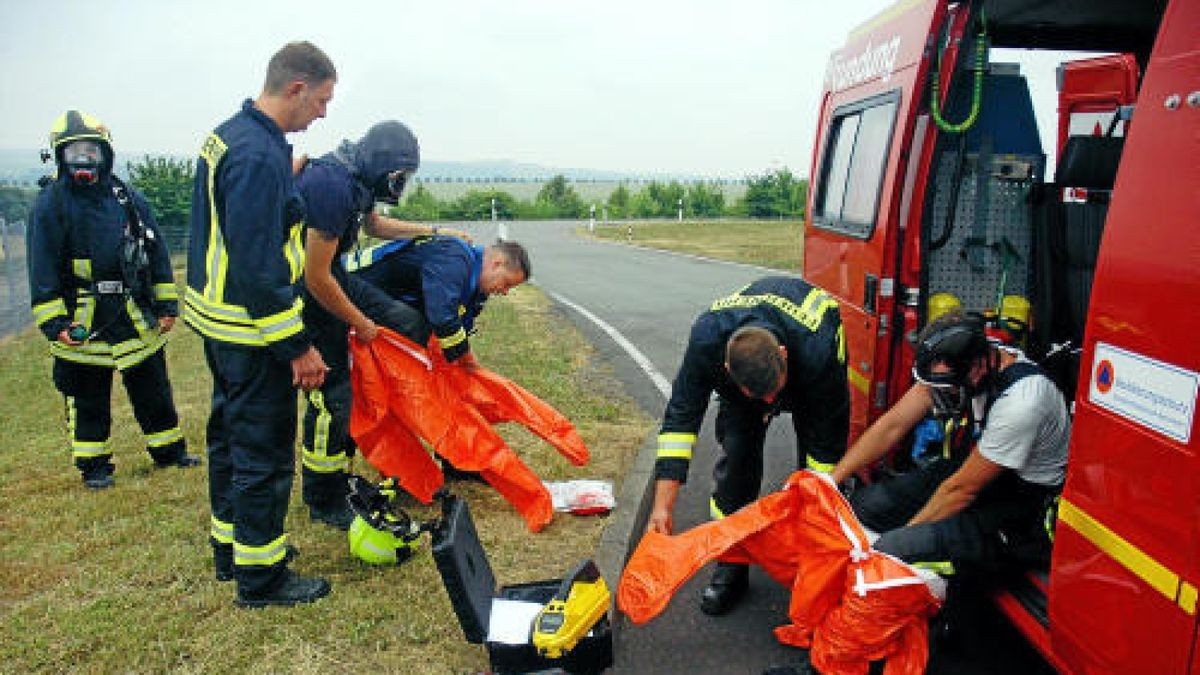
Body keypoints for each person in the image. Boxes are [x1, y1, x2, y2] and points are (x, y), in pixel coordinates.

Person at [183, 41, 336, 608]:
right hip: (251, 331)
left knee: (228, 440)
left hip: (219, 324)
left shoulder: (235, 134)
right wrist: (296, 346)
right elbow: (257, 262)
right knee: (264, 453)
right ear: (295, 88)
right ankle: (262, 576)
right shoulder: (255, 156)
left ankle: (232, 549)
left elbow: (240, 223)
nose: (322, 114)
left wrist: (284, 187)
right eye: (320, 101)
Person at [295, 119, 470, 529]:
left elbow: (374, 225)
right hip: (307, 289)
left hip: (333, 275)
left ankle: (394, 394)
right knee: (331, 394)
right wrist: (360, 322)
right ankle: (323, 494)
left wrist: (435, 231)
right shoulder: (330, 185)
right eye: (398, 177)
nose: (398, 185)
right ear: (381, 164)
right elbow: (314, 277)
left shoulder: (354, 180)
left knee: (407, 322)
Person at [645, 276, 849, 615]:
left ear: (782, 355)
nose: (770, 402)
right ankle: (732, 566)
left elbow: (829, 445)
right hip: (749, 384)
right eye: (761, 397)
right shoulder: (707, 341)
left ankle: (814, 566)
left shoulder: (818, 347)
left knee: (817, 474)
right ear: (726, 369)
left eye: (774, 392)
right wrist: (662, 507)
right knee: (736, 467)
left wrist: (820, 496)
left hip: (810, 375)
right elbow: (680, 421)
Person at [28, 110, 198, 490]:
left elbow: (156, 253)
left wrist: (166, 305)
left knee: (153, 388)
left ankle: (169, 452)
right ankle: (94, 466)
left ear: (105, 154)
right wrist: (55, 325)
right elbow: (42, 269)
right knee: (86, 395)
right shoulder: (50, 205)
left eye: (91, 150)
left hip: (134, 312)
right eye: (74, 152)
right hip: (83, 319)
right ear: (59, 157)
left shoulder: (128, 198)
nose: (83, 160)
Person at [830, 310, 1069, 575]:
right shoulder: (969, 360)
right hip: (984, 471)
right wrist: (831, 481)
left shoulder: (1022, 403)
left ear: (976, 371)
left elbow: (960, 491)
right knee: (864, 506)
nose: (941, 395)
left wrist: (893, 548)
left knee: (897, 551)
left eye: (949, 389)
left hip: (1022, 504)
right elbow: (892, 425)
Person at [348, 236, 531, 368]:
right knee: (414, 325)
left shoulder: (476, 289)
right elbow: (442, 317)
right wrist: (466, 358)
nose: (505, 292)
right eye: (506, 283)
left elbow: (460, 327)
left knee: (429, 338)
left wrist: (464, 357)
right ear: (497, 263)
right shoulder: (454, 258)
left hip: (380, 295)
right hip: (349, 282)